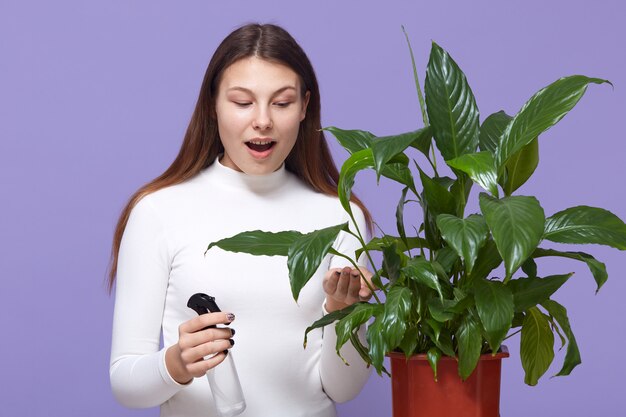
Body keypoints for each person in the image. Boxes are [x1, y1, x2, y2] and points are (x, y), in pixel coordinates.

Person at [108, 23, 374, 417]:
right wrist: (177, 363)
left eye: (281, 103)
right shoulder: (157, 211)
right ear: (213, 104)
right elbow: (125, 382)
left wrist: (339, 311)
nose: (262, 120)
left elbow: (342, 388)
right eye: (242, 102)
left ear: (304, 106)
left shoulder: (340, 215)